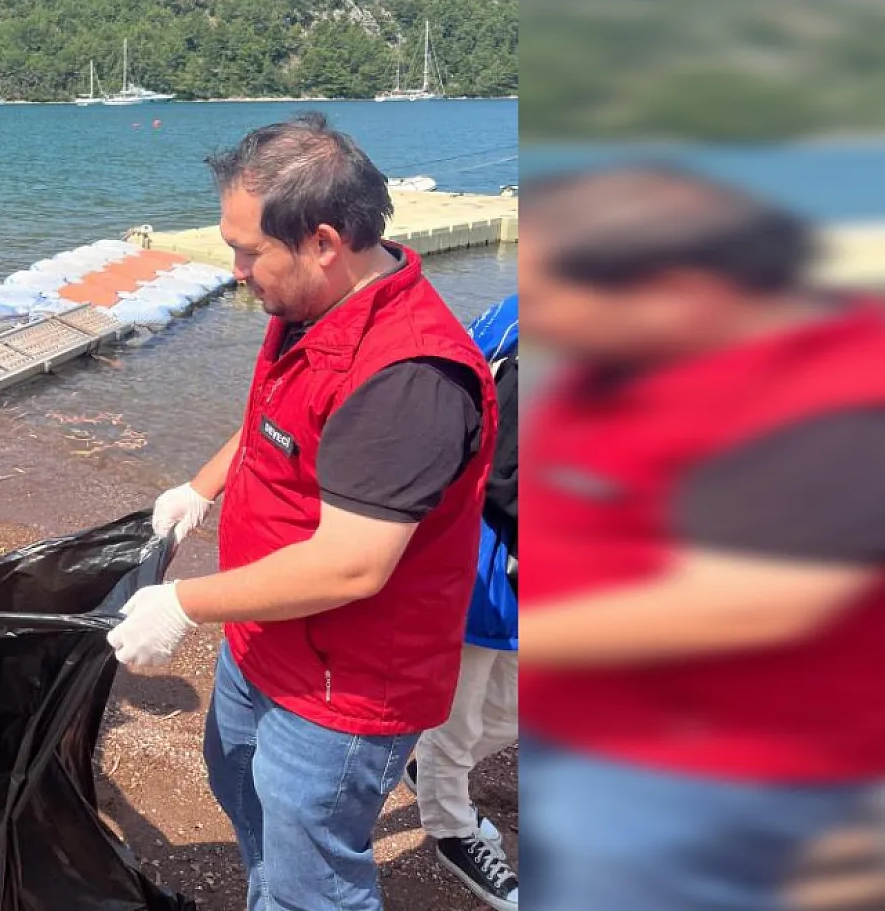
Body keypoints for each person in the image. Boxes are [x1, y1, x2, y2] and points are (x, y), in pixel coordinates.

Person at [106, 113, 497, 911]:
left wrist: (182, 603)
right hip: (266, 635)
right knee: (236, 777)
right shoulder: (310, 305)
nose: (236, 271)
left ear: (322, 242)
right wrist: (202, 488)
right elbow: (276, 422)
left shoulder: (409, 380)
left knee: (313, 872)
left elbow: (352, 565)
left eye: (249, 251)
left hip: (342, 684)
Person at [517, 165, 885, 911]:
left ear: (679, 290)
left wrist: (486, 632)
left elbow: (754, 606)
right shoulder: (628, 357)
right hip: (585, 725)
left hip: (693, 778)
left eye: (545, 297)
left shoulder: (832, 407)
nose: (533, 319)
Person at [405, 293, 520, 911]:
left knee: (513, 707)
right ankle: (451, 830)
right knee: (461, 707)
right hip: (488, 555)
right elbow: (501, 470)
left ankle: (429, 772)